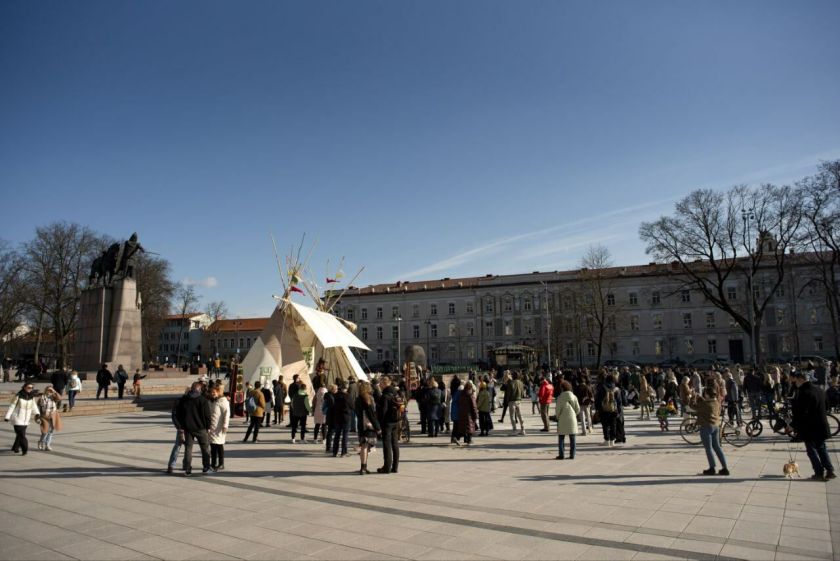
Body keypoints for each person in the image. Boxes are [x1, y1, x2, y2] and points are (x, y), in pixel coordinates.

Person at [789, 370, 835, 480]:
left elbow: (801, 413)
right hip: (822, 425)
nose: (795, 384)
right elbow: (827, 406)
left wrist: (792, 425)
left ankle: (819, 472)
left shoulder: (804, 393)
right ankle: (830, 471)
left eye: (796, 381)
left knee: (811, 450)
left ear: (801, 379)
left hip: (809, 427)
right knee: (822, 448)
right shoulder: (820, 390)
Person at [691, 383, 729, 476]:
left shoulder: (704, 404)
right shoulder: (717, 403)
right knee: (717, 447)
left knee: (708, 448)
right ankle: (725, 468)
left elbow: (693, 406)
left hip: (706, 427)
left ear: (707, 394)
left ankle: (712, 468)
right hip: (716, 426)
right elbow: (707, 406)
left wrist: (693, 397)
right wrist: (701, 399)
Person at [176, 381, 213, 475]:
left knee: (188, 449)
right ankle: (206, 467)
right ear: (199, 389)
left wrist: (182, 426)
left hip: (188, 428)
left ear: (191, 388)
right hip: (201, 428)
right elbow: (207, 415)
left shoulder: (184, 399)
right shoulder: (202, 399)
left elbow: (179, 414)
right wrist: (208, 427)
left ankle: (187, 469)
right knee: (205, 448)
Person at [5, 382, 41, 455]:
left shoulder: (32, 396)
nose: (30, 389)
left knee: (20, 434)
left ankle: (15, 447)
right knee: (22, 435)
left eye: (31, 388)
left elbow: (34, 406)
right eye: (28, 387)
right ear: (24, 387)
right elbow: (12, 407)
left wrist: (37, 414)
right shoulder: (18, 396)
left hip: (26, 420)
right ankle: (25, 449)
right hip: (17, 418)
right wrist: (7, 416)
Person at [377, 375, 401, 474]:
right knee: (395, 444)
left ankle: (386, 467)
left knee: (387, 445)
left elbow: (383, 412)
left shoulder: (385, 396)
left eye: (381, 383)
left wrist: (379, 425)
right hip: (396, 421)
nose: (380, 385)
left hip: (387, 423)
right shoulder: (396, 393)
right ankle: (395, 467)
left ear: (384, 383)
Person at [355, 381, 381, 475]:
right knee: (366, 446)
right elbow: (371, 415)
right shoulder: (368, 398)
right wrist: (377, 427)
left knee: (363, 446)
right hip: (369, 425)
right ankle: (364, 467)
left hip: (361, 425)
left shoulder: (358, 399)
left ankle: (363, 466)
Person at [555, 381, 580, 460]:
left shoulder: (560, 398)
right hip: (572, 418)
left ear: (562, 388)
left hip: (562, 418)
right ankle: (572, 454)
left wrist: (558, 417)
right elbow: (578, 409)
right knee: (572, 438)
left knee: (561, 438)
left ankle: (561, 454)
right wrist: (574, 414)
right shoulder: (574, 397)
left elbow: (558, 410)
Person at [166, 388, 189, 474]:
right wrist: (179, 427)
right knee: (177, 446)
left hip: (190, 428)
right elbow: (174, 415)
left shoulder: (194, 401)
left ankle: (186, 464)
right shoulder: (179, 401)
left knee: (188, 447)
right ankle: (171, 465)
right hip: (181, 428)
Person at [208, 382, 230, 472]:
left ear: (218, 392)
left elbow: (227, 414)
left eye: (214, 392)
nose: (212, 394)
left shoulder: (223, 401)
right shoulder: (212, 401)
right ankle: (213, 463)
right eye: (211, 392)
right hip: (212, 427)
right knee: (213, 446)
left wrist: (225, 425)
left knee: (219, 445)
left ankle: (221, 464)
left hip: (220, 427)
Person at [595, 373, 620, 446]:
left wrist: (597, 408)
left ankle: (606, 440)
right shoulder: (616, 389)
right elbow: (619, 401)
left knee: (605, 425)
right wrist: (619, 411)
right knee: (613, 425)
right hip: (614, 410)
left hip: (603, 409)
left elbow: (597, 399)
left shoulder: (602, 387)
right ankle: (612, 440)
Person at [330, 382, 352, 457]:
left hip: (337, 416)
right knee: (345, 435)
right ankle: (343, 451)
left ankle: (335, 451)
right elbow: (352, 406)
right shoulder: (348, 396)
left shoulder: (335, 395)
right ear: (346, 388)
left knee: (337, 435)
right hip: (346, 416)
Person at [37, 386, 62, 451]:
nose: (49, 392)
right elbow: (38, 409)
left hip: (53, 416)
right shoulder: (41, 398)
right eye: (48, 390)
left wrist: (54, 391)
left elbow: (59, 398)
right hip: (44, 416)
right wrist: (38, 417)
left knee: (50, 431)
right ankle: (41, 441)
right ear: (45, 390)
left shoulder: (53, 397)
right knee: (44, 431)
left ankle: (47, 445)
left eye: (51, 391)